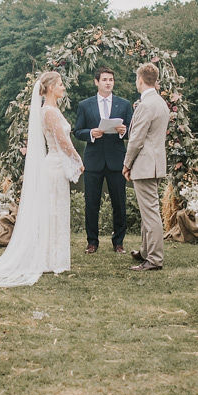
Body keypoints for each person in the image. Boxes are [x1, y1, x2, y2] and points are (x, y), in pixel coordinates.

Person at [0, 71, 83, 287]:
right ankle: (51, 259)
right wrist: (77, 158)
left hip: (54, 165)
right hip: (54, 166)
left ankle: (54, 258)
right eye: (61, 84)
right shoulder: (50, 112)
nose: (64, 87)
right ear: (51, 87)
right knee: (53, 211)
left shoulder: (51, 110)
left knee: (55, 210)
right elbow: (62, 140)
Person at [73, 66, 132, 254]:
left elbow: (133, 130)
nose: (108, 83)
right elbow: (77, 131)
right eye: (105, 80)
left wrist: (125, 131)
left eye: (111, 80)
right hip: (93, 160)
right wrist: (91, 133)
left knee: (119, 203)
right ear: (96, 82)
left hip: (116, 160)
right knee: (91, 203)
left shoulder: (124, 104)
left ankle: (119, 242)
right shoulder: (85, 105)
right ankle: (92, 242)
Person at [124, 63, 170, 272]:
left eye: (136, 79)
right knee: (147, 211)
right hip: (155, 164)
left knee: (150, 213)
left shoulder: (146, 105)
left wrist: (127, 164)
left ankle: (154, 258)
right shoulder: (160, 103)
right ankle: (145, 250)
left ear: (141, 80)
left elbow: (136, 140)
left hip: (145, 164)